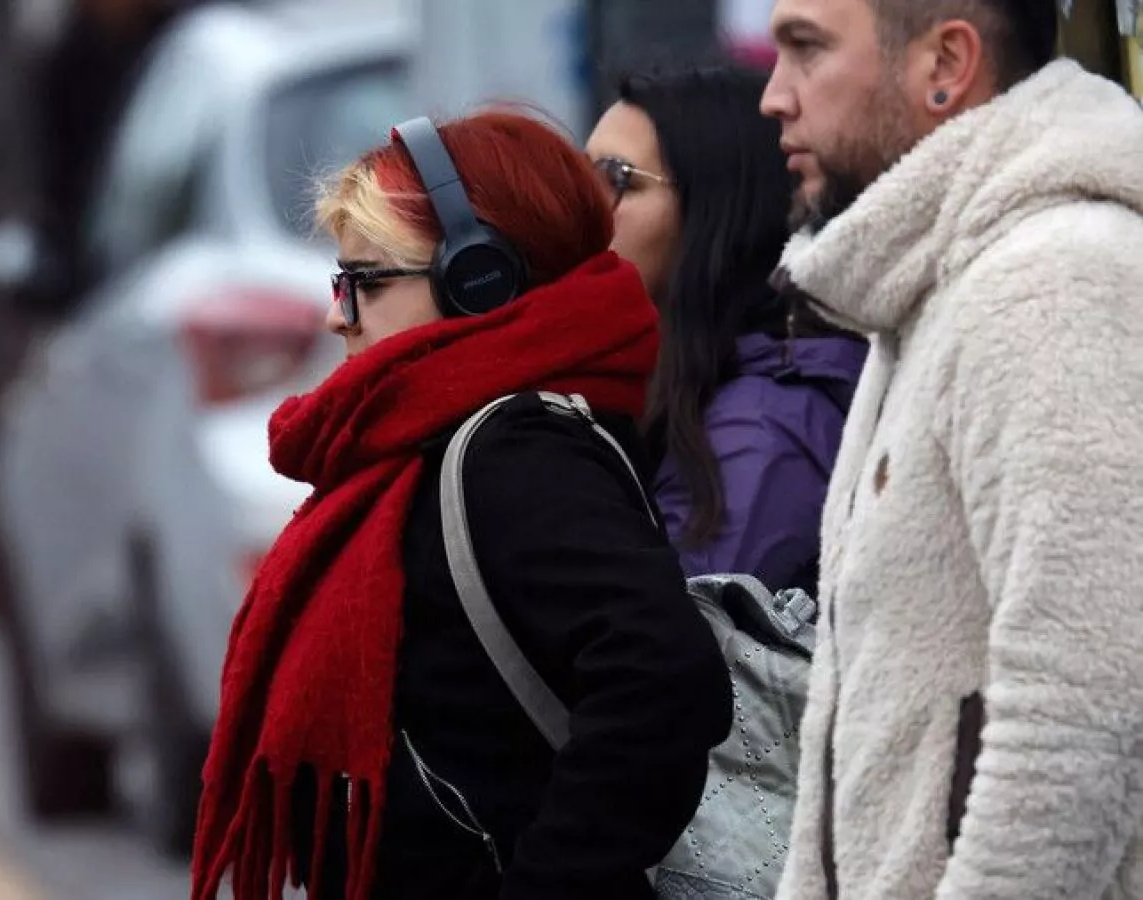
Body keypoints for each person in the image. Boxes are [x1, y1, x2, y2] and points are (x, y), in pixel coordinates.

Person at [191, 110, 732, 900]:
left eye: (367, 283)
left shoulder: (517, 455)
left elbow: (665, 680)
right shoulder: (443, 443)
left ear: (479, 281)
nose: (338, 314)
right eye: (339, 283)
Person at [760, 0, 1143, 896]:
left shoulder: (1056, 278)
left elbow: (1079, 715)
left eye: (807, 49)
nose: (774, 95)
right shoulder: (933, 288)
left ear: (945, 65)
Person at [585, 65, 867, 594]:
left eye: (616, 178)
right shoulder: (682, 380)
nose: (582, 208)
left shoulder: (762, 430)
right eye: (577, 179)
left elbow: (666, 635)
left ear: (717, 210)